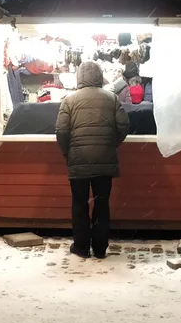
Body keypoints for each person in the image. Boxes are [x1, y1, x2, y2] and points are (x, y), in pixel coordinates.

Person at [55, 59, 130, 259]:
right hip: (105, 162)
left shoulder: (68, 101)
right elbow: (124, 127)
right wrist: (110, 144)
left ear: (79, 77)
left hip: (78, 160)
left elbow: (61, 132)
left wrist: (68, 152)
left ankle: (80, 247)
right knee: (101, 204)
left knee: (79, 204)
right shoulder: (112, 98)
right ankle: (99, 248)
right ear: (99, 76)